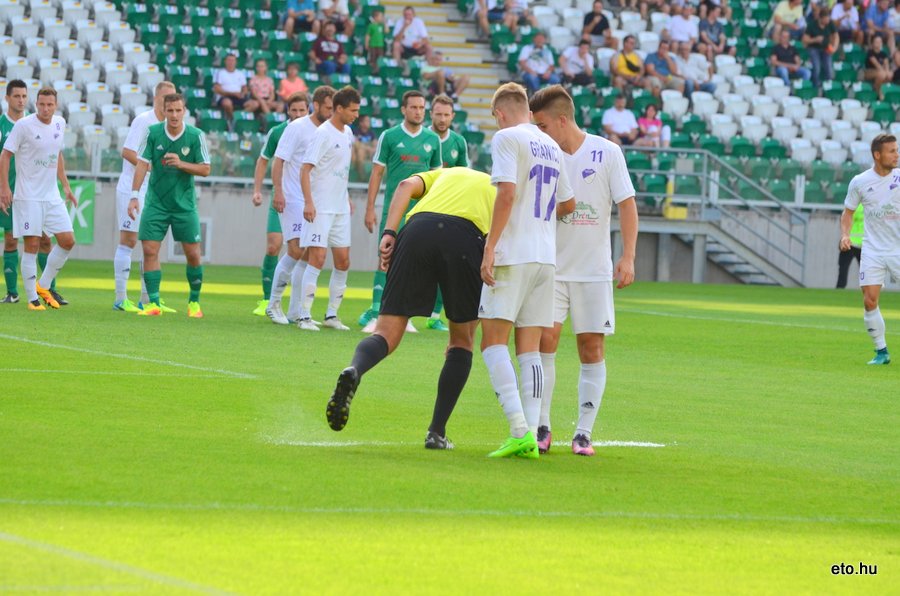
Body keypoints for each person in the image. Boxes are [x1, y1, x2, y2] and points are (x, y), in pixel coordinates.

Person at [324, 167, 496, 449]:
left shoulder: (444, 174)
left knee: (386, 333)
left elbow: (404, 185)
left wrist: (390, 232)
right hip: (467, 237)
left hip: (416, 230)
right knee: (461, 343)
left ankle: (355, 369)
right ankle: (436, 432)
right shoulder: (498, 185)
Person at [530, 85, 638, 456]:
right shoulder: (541, 153)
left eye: (542, 125)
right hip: (551, 267)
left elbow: (627, 204)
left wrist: (628, 257)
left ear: (562, 120)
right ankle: (542, 426)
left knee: (591, 347)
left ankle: (583, 433)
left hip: (593, 270)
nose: (538, 132)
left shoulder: (607, 152)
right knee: (545, 340)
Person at [479, 82, 575, 459]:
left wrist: (490, 247)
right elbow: (568, 204)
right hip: (545, 257)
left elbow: (506, 193)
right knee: (530, 349)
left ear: (500, 113)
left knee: (492, 341)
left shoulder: (506, 139)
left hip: (513, 253)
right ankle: (533, 435)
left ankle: (519, 428)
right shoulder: (551, 144)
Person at [358, 91, 442, 333]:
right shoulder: (390, 136)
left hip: (422, 212)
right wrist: (370, 208)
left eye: (422, 108)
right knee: (385, 259)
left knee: (417, 264)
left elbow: (436, 178)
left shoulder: (432, 140)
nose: (418, 111)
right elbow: (376, 173)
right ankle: (377, 312)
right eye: (413, 107)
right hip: (393, 210)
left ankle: (406, 316)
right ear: (404, 109)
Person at [127, 93, 211, 317]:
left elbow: (205, 169)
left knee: (193, 254)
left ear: (184, 111)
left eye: (178, 110)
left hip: (184, 205)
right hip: (156, 203)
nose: (174, 115)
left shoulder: (195, 136)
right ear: (163, 111)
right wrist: (134, 195)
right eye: (170, 110)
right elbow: (142, 164)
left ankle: (194, 302)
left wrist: (182, 163)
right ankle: (153, 303)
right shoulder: (153, 133)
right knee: (149, 249)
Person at [0, 87, 77, 311]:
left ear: (56, 105)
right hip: (28, 196)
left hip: (51, 196)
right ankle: (32, 299)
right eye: (41, 104)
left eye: (49, 105)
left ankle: (43, 286)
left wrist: (66, 186)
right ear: (36, 104)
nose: (45, 108)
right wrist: (4, 187)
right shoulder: (23, 126)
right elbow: (5, 155)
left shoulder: (60, 124)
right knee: (32, 244)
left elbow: (57, 155)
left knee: (67, 240)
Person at [267, 85, 335, 325]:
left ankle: (296, 310)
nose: (332, 111)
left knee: (306, 253)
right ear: (315, 106)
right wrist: (278, 191)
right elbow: (279, 161)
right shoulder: (297, 128)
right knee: (295, 249)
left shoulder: (330, 131)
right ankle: (273, 303)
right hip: (293, 197)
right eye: (328, 107)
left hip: (315, 200)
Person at [296, 85, 360, 331]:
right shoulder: (323, 134)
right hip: (320, 207)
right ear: (339, 108)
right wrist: (309, 202)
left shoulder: (348, 133)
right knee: (317, 258)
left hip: (340, 207)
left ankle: (331, 315)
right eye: (353, 110)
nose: (356, 114)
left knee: (343, 261)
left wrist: (347, 197)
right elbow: (305, 169)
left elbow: (340, 170)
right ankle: (304, 316)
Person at [113, 80, 177, 313]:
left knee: (151, 246)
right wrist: (151, 168)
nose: (168, 103)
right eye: (165, 98)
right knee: (129, 241)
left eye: (173, 99)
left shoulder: (172, 126)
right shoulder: (144, 121)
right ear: (156, 99)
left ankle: (147, 299)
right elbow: (128, 151)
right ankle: (120, 299)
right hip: (133, 189)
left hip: (155, 194)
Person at [840, 133, 900, 365]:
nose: (897, 154)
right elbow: (848, 213)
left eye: (897, 150)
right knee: (869, 301)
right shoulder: (860, 182)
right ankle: (881, 351)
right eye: (892, 151)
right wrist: (845, 234)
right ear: (878, 155)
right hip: (873, 250)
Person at [251, 92, 309, 317]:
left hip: (305, 200)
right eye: (293, 110)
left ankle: (296, 307)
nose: (297, 114)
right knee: (274, 246)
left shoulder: (315, 132)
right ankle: (268, 299)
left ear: (308, 110)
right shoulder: (278, 132)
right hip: (282, 197)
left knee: (302, 252)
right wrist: (257, 190)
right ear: (287, 111)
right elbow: (263, 160)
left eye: (301, 110)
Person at [0, 79, 27, 304]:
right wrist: (2, 189)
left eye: (24, 96)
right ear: (7, 98)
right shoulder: (1, 125)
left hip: (33, 193)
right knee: (10, 240)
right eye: (16, 96)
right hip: (8, 194)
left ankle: (49, 291)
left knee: (45, 239)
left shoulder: (33, 124)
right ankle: (12, 293)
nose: (21, 100)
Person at [803, 10, 838, 87]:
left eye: (828, 19)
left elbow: (836, 35)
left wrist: (834, 47)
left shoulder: (830, 24)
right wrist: (815, 39)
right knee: (817, 67)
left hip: (826, 48)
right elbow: (805, 39)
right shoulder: (812, 25)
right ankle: (816, 85)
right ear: (821, 18)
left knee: (828, 68)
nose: (827, 21)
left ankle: (828, 86)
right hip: (814, 48)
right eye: (826, 19)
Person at [213, 53, 248, 124]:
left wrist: (243, 94)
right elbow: (217, 89)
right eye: (229, 60)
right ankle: (233, 120)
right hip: (224, 96)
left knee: (254, 104)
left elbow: (245, 88)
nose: (231, 62)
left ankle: (237, 116)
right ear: (225, 61)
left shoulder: (240, 73)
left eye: (233, 60)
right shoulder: (220, 73)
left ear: (236, 62)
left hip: (238, 97)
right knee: (227, 103)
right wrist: (233, 94)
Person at [837, 204, 863, 288]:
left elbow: (843, 220)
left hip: (853, 243)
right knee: (867, 274)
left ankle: (839, 292)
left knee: (843, 271)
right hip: (852, 244)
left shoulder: (852, 205)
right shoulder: (870, 205)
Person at [352, 113, 376, 182]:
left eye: (369, 121)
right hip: (359, 154)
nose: (369, 122)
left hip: (369, 154)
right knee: (360, 151)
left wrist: (370, 149)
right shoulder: (355, 132)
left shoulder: (371, 133)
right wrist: (368, 148)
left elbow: (375, 146)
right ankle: (362, 178)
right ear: (361, 123)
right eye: (367, 121)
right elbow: (356, 144)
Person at [365, 10, 388, 76]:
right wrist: (366, 43)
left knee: (380, 59)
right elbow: (368, 35)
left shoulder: (381, 26)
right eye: (381, 16)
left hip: (380, 45)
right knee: (373, 58)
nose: (382, 18)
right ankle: (372, 70)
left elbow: (386, 31)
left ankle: (378, 71)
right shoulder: (371, 25)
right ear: (375, 17)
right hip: (373, 45)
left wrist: (385, 23)